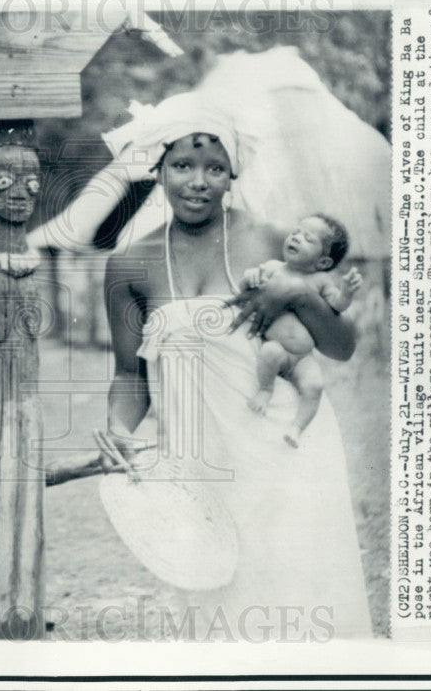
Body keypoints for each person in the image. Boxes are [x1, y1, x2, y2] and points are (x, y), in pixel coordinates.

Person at [99, 92, 373, 639]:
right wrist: (116, 430)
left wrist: (297, 288)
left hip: (287, 452)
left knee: (301, 600)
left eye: (214, 168)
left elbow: (340, 346)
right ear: (158, 169)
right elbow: (131, 376)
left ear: (233, 175)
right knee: (219, 607)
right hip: (199, 461)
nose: (197, 181)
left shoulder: (275, 240)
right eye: (181, 165)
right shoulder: (129, 263)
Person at [242, 213, 363, 449]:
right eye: (295, 232)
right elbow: (245, 287)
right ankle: (265, 389)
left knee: (315, 386)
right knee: (269, 353)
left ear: (323, 262)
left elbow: (336, 305)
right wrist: (250, 277)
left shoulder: (321, 280)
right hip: (277, 349)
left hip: (301, 358)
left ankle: (297, 428)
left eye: (307, 238)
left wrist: (346, 292)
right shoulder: (272, 267)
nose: (296, 238)